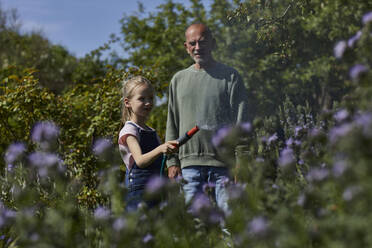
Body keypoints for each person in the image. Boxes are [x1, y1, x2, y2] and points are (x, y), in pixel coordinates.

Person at [165, 23, 251, 214]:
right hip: (188, 166)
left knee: (230, 221)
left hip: (224, 166)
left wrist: (242, 160)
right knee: (194, 224)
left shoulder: (230, 76)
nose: (197, 47)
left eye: (202, 42)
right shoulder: (178, 80)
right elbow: (172, 122)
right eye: (192, 43)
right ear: (186, 46)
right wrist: (172, 162)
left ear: (213, 43)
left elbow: (241, 121)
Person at [118, 76, 179, 211]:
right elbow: (139, 161)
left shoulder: (150, 131)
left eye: (151, 98)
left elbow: (158, 160)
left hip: (156, 190)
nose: (148, 103)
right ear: (127, 102)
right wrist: (160, 149)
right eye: (142, 99)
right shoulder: (129, 130)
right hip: (139, 192)